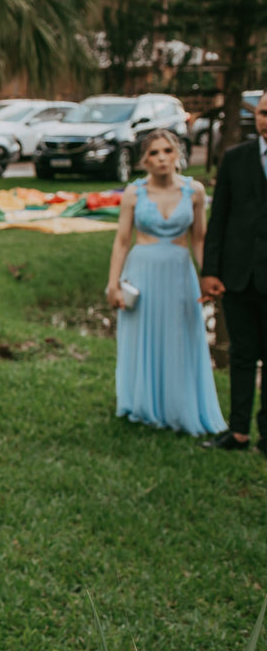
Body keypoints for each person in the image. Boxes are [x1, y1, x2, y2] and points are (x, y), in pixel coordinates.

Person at [106, 129, 225, 435]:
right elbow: (121, 241)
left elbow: (199, 238)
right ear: (145, 160)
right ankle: (143, 404)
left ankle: (179, 405)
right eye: (154, 153)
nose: (162, 159)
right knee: (143, 336)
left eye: (167, 151)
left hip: (179, 272)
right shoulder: (133, 193)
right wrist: (113, 283)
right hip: (142, 272)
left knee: (180, 337)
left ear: (177, 155)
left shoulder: (194, 191)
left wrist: (207, 275)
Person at [199, 91, 267, 453]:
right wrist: (210, 271)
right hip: (238, 275)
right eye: (264, 113)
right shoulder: (235, 159)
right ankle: (238, 432)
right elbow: (219, 218)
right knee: (241, 354)